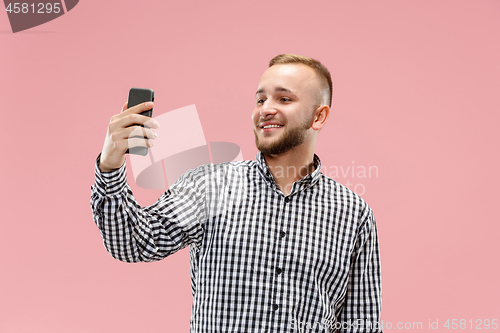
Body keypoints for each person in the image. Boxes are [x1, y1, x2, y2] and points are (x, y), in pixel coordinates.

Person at [90, 54, 382, 332]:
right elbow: (132, 243)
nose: (266, 108)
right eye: (260, 99)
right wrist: (111, 162)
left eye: (284, 98)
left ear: (319, 116)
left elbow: (362, 325)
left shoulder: (353, 214)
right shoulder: (209, 187)